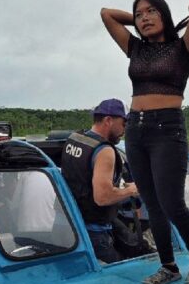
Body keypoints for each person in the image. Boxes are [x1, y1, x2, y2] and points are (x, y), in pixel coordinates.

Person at [101, 0, 189, 284]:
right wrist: (137, 23)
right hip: (136, 130)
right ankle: (168, 267)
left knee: (172, 203)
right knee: (152, 203)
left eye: (151, 12)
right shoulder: (135, 47)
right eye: (139, 14)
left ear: (164, 14)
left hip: (168, 129)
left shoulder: (183, 48)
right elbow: (107, 14)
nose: (144, 18)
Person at [61, 99, 143, 263]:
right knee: (120, 272)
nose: (125, 129)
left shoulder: (75, 139)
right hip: (93, 231)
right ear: (108, 120)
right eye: (124, 123)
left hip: (69, 225)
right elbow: (103, 197)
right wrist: (132, 190)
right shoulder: (105, 151)